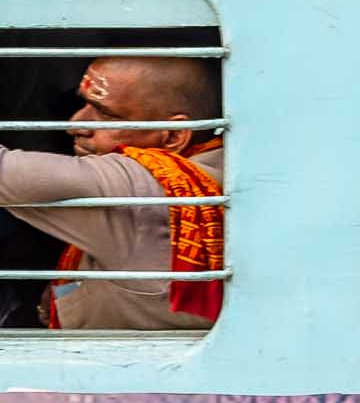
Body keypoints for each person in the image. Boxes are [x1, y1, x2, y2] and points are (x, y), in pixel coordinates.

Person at [0, 56, 225, 329]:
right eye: (82, 103)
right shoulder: (227, 165)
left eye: (104, 114)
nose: (75, 124)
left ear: (174, 136)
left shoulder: (139, 188)